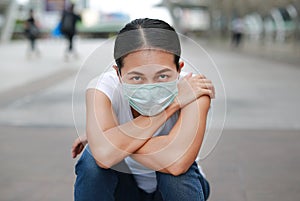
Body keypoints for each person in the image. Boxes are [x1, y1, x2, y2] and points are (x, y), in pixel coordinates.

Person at [72, 18, 215, 201]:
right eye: (137, 78)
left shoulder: (194, 88)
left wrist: (110, 138)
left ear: (179, 69)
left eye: (162, 76)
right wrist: (174, 104)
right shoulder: (102, 88)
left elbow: (177, 163)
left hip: (175, 191)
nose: (150, 87)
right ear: (118, 73)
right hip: (124, 190)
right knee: (92, 162)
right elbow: (102, 157)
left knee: (176, 175)